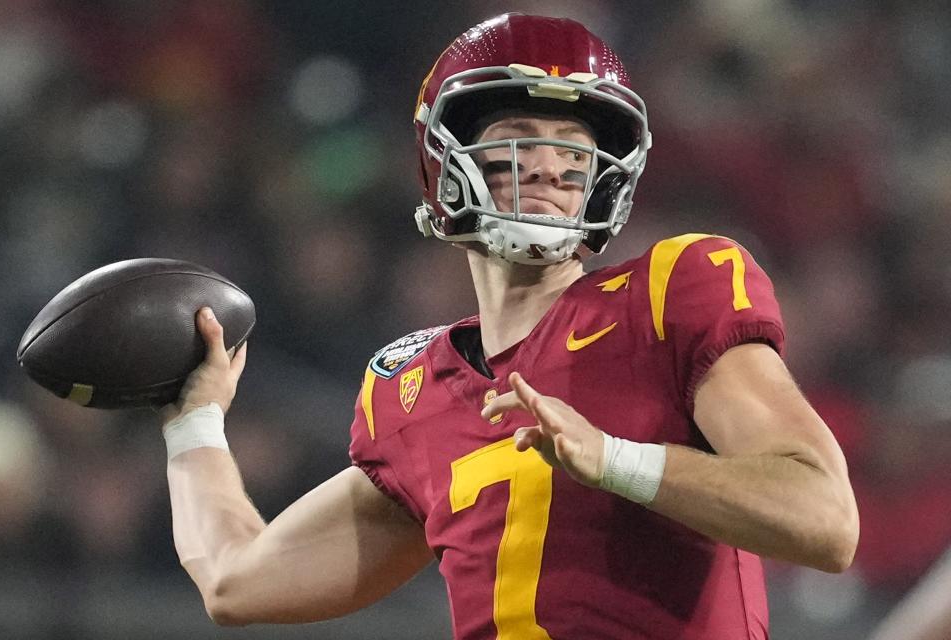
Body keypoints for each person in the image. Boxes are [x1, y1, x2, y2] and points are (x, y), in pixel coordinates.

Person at [161, 13, 859, 640]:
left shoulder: (669, 293)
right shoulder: (414, 392)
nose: (553, 166)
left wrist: (616, 459)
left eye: (574, 146)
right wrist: (194, 422)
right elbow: (236, 580)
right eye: (520, 140)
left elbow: (825, 518)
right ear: (445, 160)